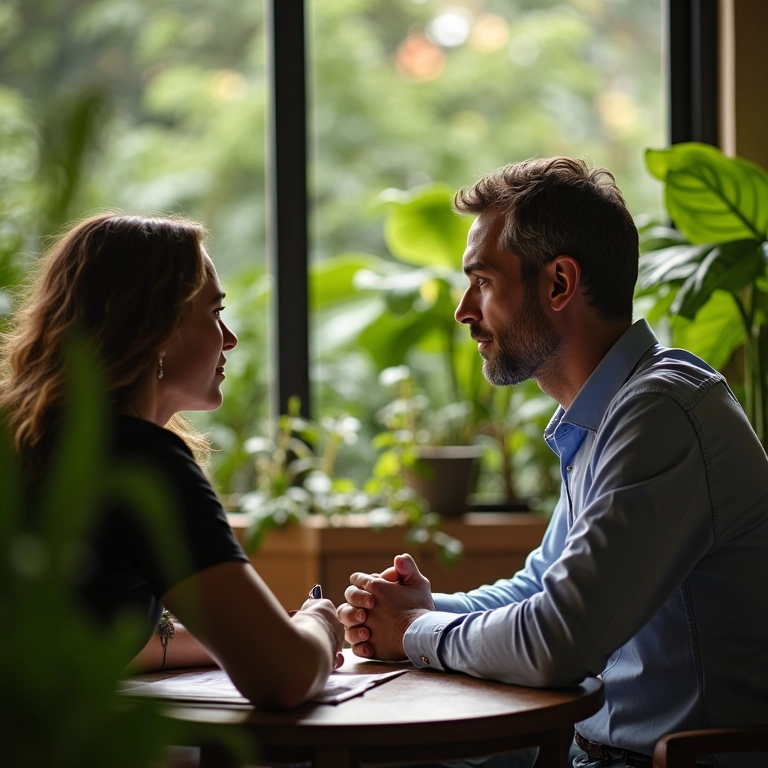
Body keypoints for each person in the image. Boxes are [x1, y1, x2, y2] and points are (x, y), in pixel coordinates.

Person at [337, 157, 768, 766]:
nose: (464, 310)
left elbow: (556, 640)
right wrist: (416, 610)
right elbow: (540, 587)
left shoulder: (661, 411)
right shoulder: (607, 415)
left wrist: (410, 633)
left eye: (482, 281)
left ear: (559, 283)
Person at [0, 213, 344, 710]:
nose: (229, 339)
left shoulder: (34, 442)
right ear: (157, 326)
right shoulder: (141, 461)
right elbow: (284, 677)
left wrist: (250, 636)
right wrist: (320, 626)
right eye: (213, 313)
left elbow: (89, 631)